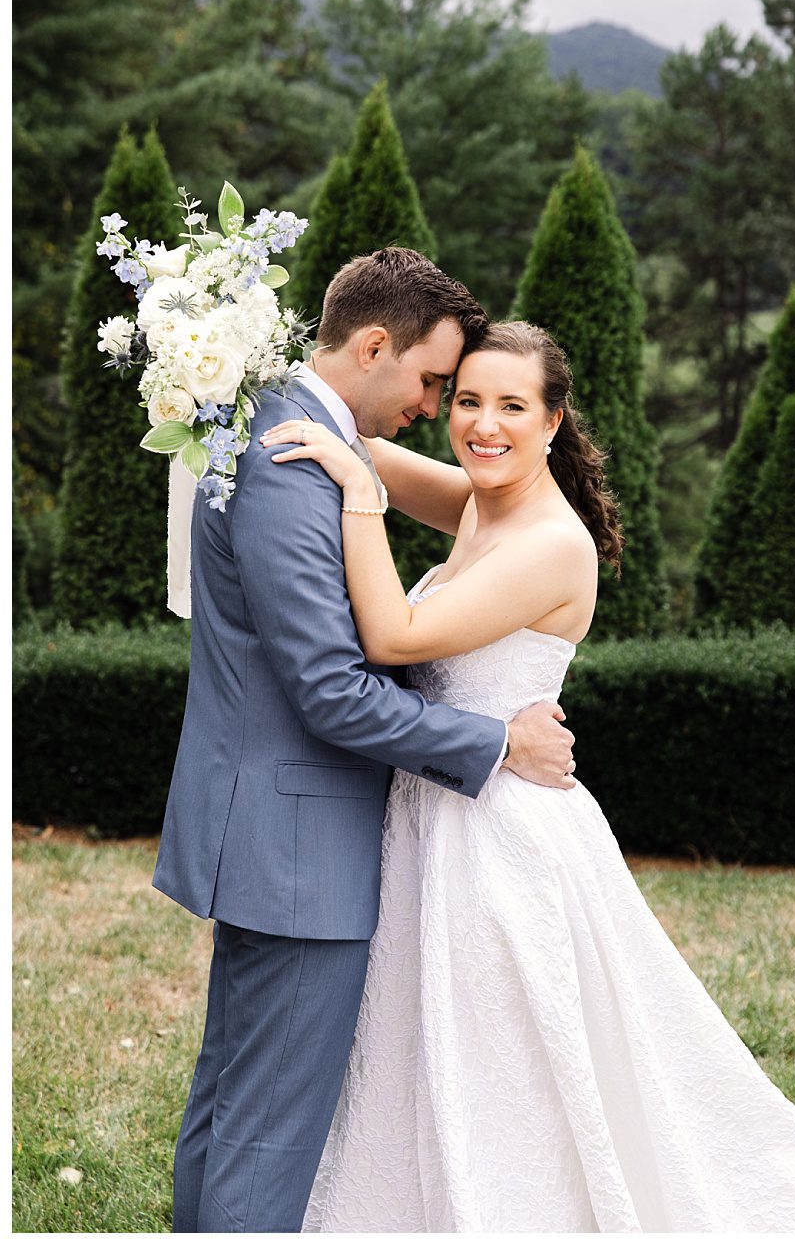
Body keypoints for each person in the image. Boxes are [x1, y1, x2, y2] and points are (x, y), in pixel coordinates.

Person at [259, 319, 795, 1231]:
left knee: (508, 1059)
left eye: (511, 406)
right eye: (466, 400)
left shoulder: (553, 544)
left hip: (498, 838)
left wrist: (358, 493)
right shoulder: (483, 499)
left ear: (553, 420)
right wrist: (252, 376)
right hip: (438, 813)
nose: (482, 424)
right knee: (426, 1049)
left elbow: (392, 635)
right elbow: (352, 434)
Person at [154, 248, 579, 1233]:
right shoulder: (291, 467)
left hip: (268, 831)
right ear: (375, 345)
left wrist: (382, 476)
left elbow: (486, 500)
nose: (436, 406)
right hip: (299, 847)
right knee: (267, 1131)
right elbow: (334, 695)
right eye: (433, 381)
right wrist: (497, 742)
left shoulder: (286, 435)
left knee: (230, 1106)